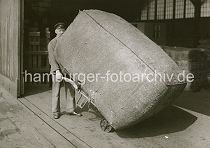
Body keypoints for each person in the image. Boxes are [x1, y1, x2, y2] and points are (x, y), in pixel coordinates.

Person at [48, 22, 80, 119]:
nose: (61, 32)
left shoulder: (68, 43)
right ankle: (55, 112)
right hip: (56, 70)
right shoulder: (52, 43)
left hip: (67, 70)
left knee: (70, 89)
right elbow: (52, 59)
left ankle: (70, 109)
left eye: (63, 30)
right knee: (56, 91)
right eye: (59, 30)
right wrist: (57, 71)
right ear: (55, 31)